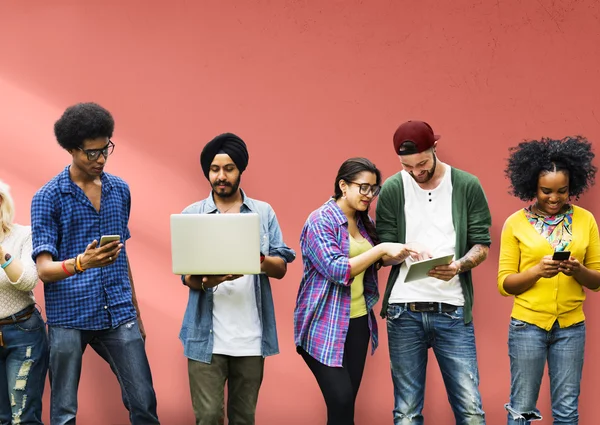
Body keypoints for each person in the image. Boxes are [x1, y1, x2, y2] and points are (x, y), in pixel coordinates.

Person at [30, 102, 160, 425]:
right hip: (68, 318)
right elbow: (43, 270)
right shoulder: (48, 197)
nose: (101, 159)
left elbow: (121, 253)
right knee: (63, 414)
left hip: (118, 311)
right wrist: (81, 262)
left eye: (106, 150)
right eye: (92, 153)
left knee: (144, 403)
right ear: (72, 149)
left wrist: (136, 313)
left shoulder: (120, 191)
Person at [376, 120, 491, 425]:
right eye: (407, 165)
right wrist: (402, 248)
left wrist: (458, 266)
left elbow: (482, 244)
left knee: (470, 410)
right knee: (406, 412)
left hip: (452, 311)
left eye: (422, 163)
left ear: (435, 148)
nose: (416, 171)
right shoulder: (392, 188)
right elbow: (383, 251)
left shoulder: (467, 185)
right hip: (404, 311)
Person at [179, 133, 295, 425]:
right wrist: (210, 280)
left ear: (240, 170)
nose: (222, 176)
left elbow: (281, 268)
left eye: (229, 168)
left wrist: (256, 259)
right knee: (207, 418)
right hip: (206, 339)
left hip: (251, 339)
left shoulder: (262, 212)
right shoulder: (192, 215)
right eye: (215, 169)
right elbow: (188, 278)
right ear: (207, 172)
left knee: (244, 418)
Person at [294, 157, 415, 425]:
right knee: (341, 398)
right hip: (323, 324)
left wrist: (405, 252)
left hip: (358, 322)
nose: (369, 195)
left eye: (374, 189)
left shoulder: (363, 222)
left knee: (344, 410)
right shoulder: (320, 221)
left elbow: (375, 261)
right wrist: (382, 249)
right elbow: (338, 270)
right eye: (363, 187)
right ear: (343, 186)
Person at [498, 136, 600, 424]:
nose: (554, 198)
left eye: (562, 191)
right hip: (527, 326)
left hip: (571, 327)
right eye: (546, 191)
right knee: (521, 409)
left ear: (572, 187)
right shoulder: (515, 223)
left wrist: (577, 270)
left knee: (567, 410)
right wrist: (535, 272)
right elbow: (505, 284)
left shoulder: (586, 220)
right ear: (532, 186)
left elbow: (597, 280)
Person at [0, 180, 48, 425]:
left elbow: (28, 281)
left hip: (23, 333)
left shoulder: (24, 235)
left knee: (24, 418)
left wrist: (2, 254)